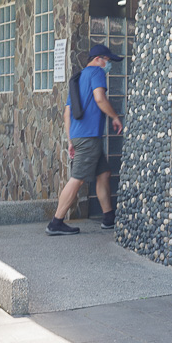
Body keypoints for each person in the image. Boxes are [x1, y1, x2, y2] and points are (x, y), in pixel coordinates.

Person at [45, 44, 124, 236]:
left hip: (82, 136)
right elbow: (99, 98)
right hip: (88, 138)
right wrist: (115, 117)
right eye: (108, 60)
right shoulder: (96, 72)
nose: (108, 64)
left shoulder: (78, 78)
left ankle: (108, 218)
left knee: (103, 174)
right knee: (77, 179)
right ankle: (56, 222)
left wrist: (71, 140)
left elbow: (67, 113)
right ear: (99, 59)